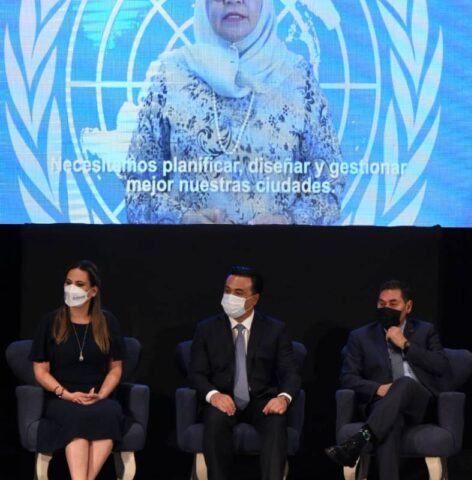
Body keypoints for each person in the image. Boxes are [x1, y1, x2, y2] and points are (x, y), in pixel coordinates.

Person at [123, 0, 344, 225]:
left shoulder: (297, 77)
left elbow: (329, 185)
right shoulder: (172, 75)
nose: (233, 0)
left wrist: (287, 221)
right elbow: (138, 187)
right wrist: (183, 219)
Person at [324, 280, 448, 480]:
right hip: (382, 405)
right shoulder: (361, 336)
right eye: (382, 304)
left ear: (408, 307)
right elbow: (348, 378)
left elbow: (440, 366)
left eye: (393, 303)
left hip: (419, 403)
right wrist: (378, 388)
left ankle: (359, 439)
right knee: (390, 424)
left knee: (405, 383)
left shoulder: (425, 331)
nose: (386, 308)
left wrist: (406, 344)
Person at [189, 265, 301, 479]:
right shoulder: (207, 329)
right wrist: (214, 395)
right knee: (214, 420)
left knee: (276, 421)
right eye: (227, 290)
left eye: (238, 293)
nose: (230, 297)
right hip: (223, 399)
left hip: (262, 400)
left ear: (254, 299)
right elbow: (196, 373)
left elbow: (291, 372)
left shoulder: (275, 329)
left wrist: (283, 398)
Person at [29, 260, 127, 480]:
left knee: (108, 413)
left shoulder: (108, 322)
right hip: (61, 396)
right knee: (77, 418)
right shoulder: (50, 321)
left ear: (93, 291)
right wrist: (66, 394)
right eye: (68, 282)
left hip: (98, 396)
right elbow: (40, 370)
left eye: (79, 284)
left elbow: (115, 368)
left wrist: (102, 394)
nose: (71, 288)